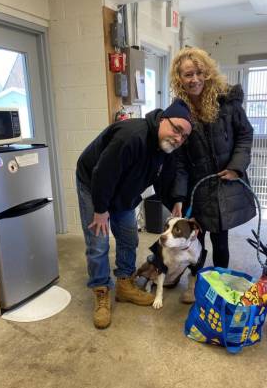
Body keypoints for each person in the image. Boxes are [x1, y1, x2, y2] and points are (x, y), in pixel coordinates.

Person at [76, 99, 192, 329]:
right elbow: (103, 173)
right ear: (162, 120)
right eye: (176, 129)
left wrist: (176, 202)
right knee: (98, 242)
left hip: (125, 188)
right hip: (94, 183)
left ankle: (124, 284)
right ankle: (101, 291)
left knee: (129, 236)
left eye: (184, 136)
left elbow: (166, 181)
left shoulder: (167, 149)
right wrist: (100, 210)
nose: (179, 138)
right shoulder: (132, 136)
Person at [169, 47, 256, 303]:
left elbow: (245, 134)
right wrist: (178, 197)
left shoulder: (226, 102)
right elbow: (180, 160)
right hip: (198, 188)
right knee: (195, 239)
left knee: (220, 240)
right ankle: (194, 282)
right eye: (188, 74)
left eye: (198, 72)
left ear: (207, 73)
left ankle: (219, 285)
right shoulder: (179, 111)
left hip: (225, 182)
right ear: (179, 79)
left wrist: (236, 166)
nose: (194, 79)